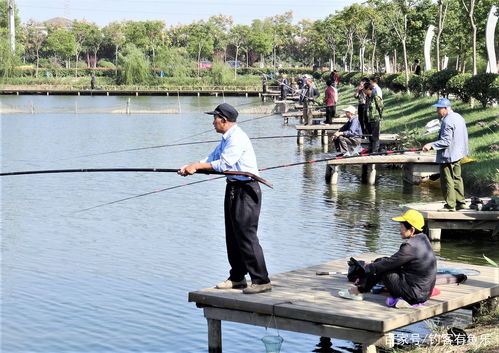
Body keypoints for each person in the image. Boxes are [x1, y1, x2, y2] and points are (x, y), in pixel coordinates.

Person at [178, 103, 272, 294]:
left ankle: (261, 280)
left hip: (247, 190)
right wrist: (191, 167)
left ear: (224, 120)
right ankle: (237, 277)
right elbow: (212, 158)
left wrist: (197, 166)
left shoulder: (237, 138)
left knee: (246, 235)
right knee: (232, 235)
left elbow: (224, 164)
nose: (213, 122)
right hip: (233, 188)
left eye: (215, 118)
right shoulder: (226, 138)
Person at [338, 209, 437, 308]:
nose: (400, 229)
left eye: (402, 226)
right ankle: (361, 289)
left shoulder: (409, 247)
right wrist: (374, 264)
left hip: (413, 295)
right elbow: (393, 261)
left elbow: (388, 264)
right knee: (381, 262)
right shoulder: (423, 239)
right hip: (423, 293)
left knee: (382, 267)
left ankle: (358, 291)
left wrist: (367, 268)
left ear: (411, 230)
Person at [423, 98, 468, 212]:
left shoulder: (447, 121)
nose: (437, 111)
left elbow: (446, 142)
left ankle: (450, 205)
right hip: (458, 153)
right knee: (457, 178)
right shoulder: (459, 117)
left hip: (448, 156)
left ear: (446, 108)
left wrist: (431, 145)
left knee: (447, 180)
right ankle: (461, 203)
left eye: (439, 108)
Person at [363, 83, 383, 153]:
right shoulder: (368, 97)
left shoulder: (376, 96)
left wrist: (380, 116)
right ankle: (371, 148)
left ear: (368, 89)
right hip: (368, 119)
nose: (363, 91)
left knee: (375, 136)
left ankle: (375, 151)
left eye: (364, 90)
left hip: (374, 119)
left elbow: (380, 107)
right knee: (369, 135)